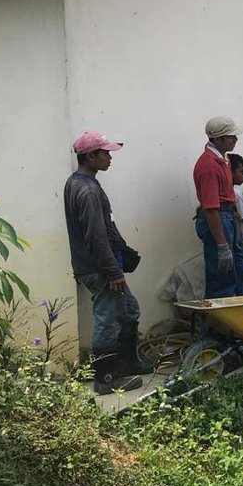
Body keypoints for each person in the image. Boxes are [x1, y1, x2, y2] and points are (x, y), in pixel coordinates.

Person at [63, 132, 153, 395]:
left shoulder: (79, 183)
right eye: (105, 153)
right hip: (99, 269)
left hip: (98, 265)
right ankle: (107, 379)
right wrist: (113, 271)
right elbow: (96, 236)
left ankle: (128, 364)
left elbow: (104, 228)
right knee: (108, 320)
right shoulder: (88, 190)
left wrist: (123, 250)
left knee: (129, 311)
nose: (110, 158)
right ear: (90, 156)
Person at [193, 116, 243, 298]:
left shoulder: (223, 160)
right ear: (218, 139)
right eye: (231, 136)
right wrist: (222, 244)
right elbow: (211, 208)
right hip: (218, 219)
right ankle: (217, 325)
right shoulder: (210, 166)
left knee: (241, 271)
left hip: (227, 216)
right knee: (222, 279)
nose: (235, 139)